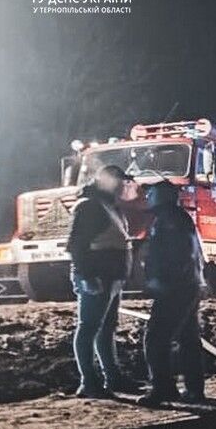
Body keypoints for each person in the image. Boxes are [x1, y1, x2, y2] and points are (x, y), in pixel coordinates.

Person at [66, 164, 141, 399]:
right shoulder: (89, 207)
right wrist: (86, 276)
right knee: (89, 327)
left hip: (111, 277)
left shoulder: (109, 206)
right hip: (98, 276)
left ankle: (112, 377)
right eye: (118, 181)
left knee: (105, 329)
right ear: (104, 180)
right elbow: (76, 246)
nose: (122, 185)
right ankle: (89, 381)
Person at [138, 181, 206, 407]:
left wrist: (160, 280)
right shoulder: (180, 217)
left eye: (150, 193)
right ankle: (194, 390)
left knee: (156, 338)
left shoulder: (168, 220)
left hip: (175, 288)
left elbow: (175, 254)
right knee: (188, 339)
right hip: (189, 285)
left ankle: (163, 388)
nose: (147, 196)